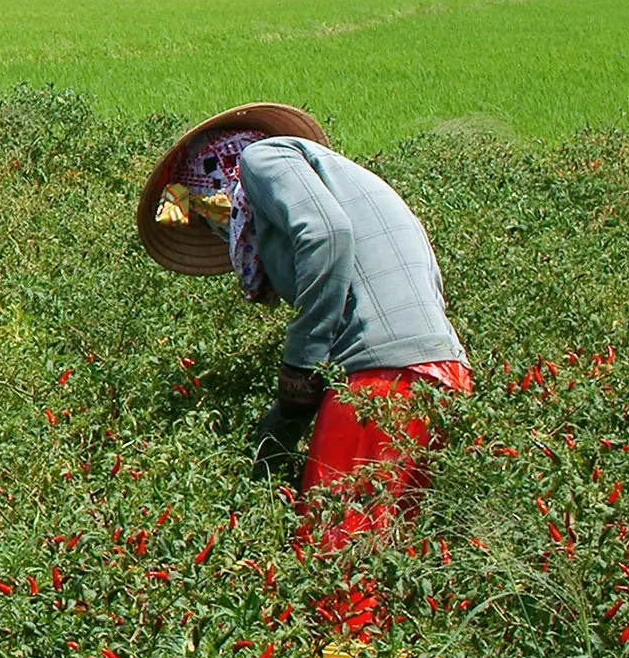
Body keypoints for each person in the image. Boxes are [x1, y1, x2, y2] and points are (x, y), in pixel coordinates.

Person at [139, 102, 470, 554]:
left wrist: (298, 378)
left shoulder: (262, 159)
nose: (225, 235)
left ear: (214, 176)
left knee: (333, 565)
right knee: (386, 562)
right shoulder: (350, 187)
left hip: (381, 382)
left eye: (217, 222)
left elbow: (325, 235)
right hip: (438, 374)